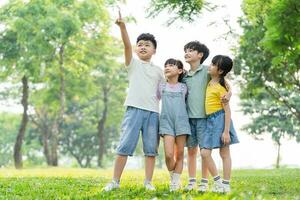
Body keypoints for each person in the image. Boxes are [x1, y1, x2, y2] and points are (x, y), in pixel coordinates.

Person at [103, 11, 164, 191]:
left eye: (147, 45)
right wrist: (123, 27)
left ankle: (148, 182)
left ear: (154, 50)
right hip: (133, 110)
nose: (142, 47)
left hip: (153, 112)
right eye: (140, 45)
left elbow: (168, 89)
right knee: (124, 146)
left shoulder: (159, 70)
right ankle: (115, 181)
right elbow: (127, 46)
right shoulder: (133, 64)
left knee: (151, 150)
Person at [182, 41, 231, 192]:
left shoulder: (207, 71)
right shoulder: (184, 75)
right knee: (191, 150)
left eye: (191, 50)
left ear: (200, 55)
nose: (187, 52)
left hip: (205, 118)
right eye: (186, 50)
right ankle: (191, 181)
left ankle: (204, 181)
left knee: (205, 151)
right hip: (189, 118)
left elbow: (225, 84)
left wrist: (229, 94)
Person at [200, 55, 239, 193]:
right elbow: (228, 83)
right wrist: (230, 91)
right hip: (209, 120)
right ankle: (218, 182)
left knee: (224, 153)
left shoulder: (221, 89)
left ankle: (225, 184)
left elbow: (227, 111)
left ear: (220, 71)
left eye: (213, 64)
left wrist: (226, 131)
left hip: (220, 120)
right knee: (205, 153)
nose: (209, 66)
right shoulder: (211, 81)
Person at [157, 58, 191, 191]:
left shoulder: (184, 87)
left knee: (180, 154)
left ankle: (175, 182)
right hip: (166, 122)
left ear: (180, 70)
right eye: (165, 65)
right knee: (169, 155)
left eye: (171, 65)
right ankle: (174, 178)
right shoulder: (161, 86)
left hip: (181, 122)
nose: (167, 67)